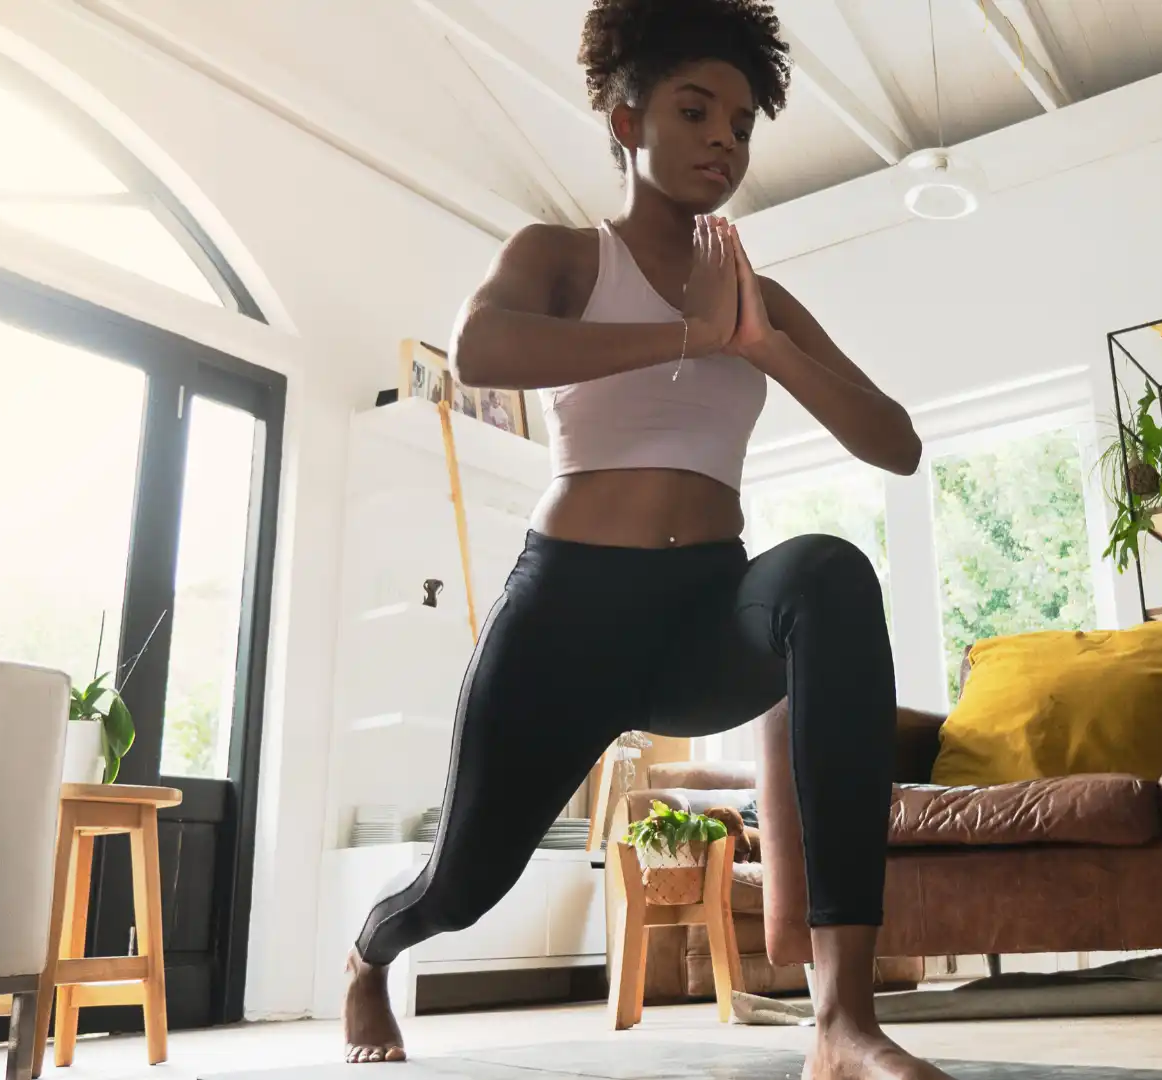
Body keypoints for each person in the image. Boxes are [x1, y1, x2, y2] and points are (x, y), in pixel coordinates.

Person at [341, 2, 948, 1078]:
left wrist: (756, 340)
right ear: (627, 121)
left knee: (830, 574)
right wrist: (686, 335)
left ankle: (842, 1025)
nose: (726, 137)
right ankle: (370, 954)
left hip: (706, 617)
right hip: (566, 613)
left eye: (743, 122)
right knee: (462, 884)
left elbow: (894, 444)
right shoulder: (565, 256)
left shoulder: (760, 298)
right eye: (695, 109)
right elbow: (481, 349)